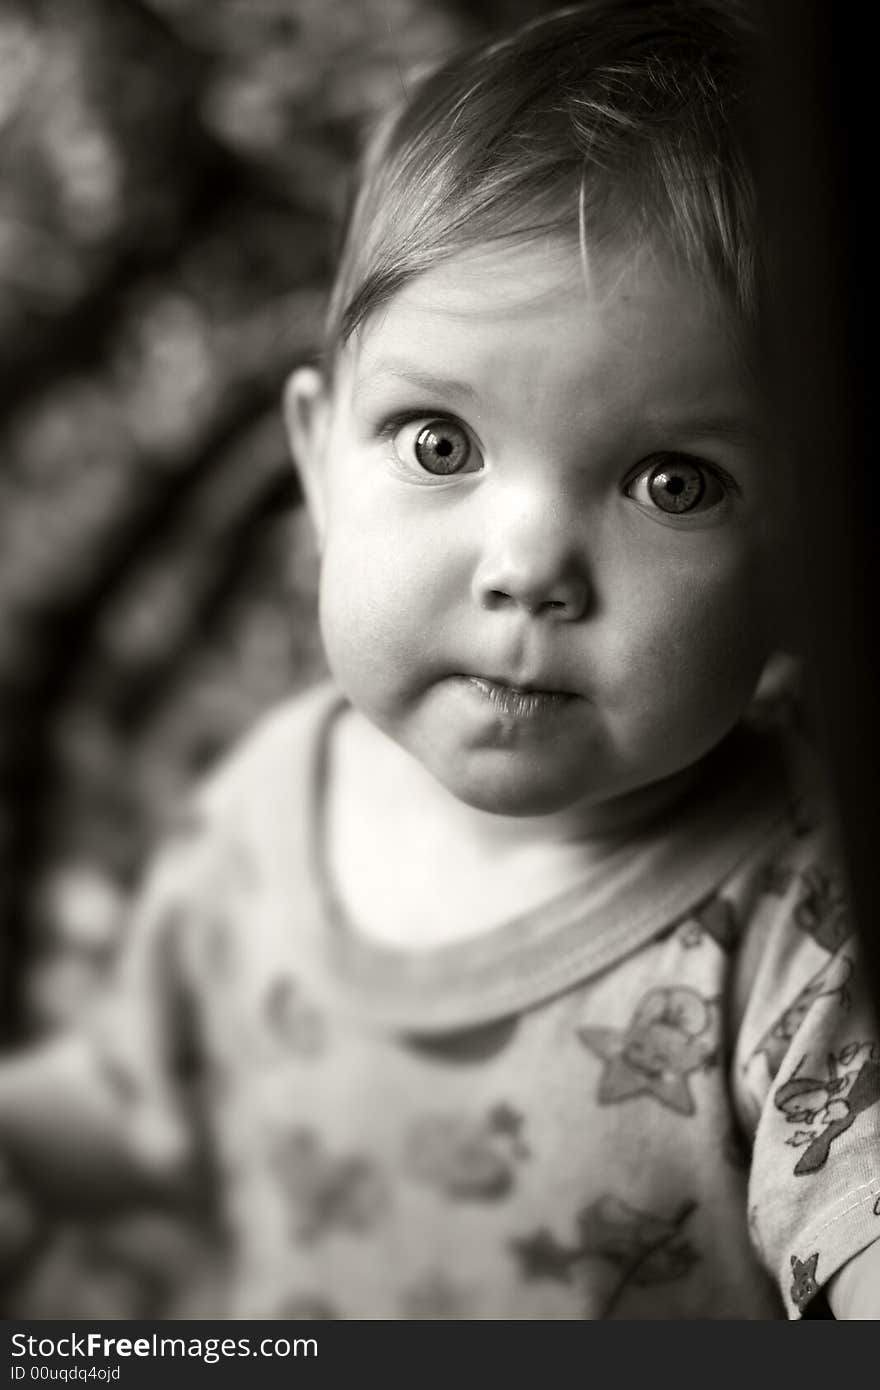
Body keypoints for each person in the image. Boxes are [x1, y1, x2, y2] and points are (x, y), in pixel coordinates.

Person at [2, 0, 878, 1320]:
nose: (528, 565)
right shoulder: (267, 806)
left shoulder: (802, 923)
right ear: (316, 461)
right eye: (439, 444)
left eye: (672, 480)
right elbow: (139, 1109)